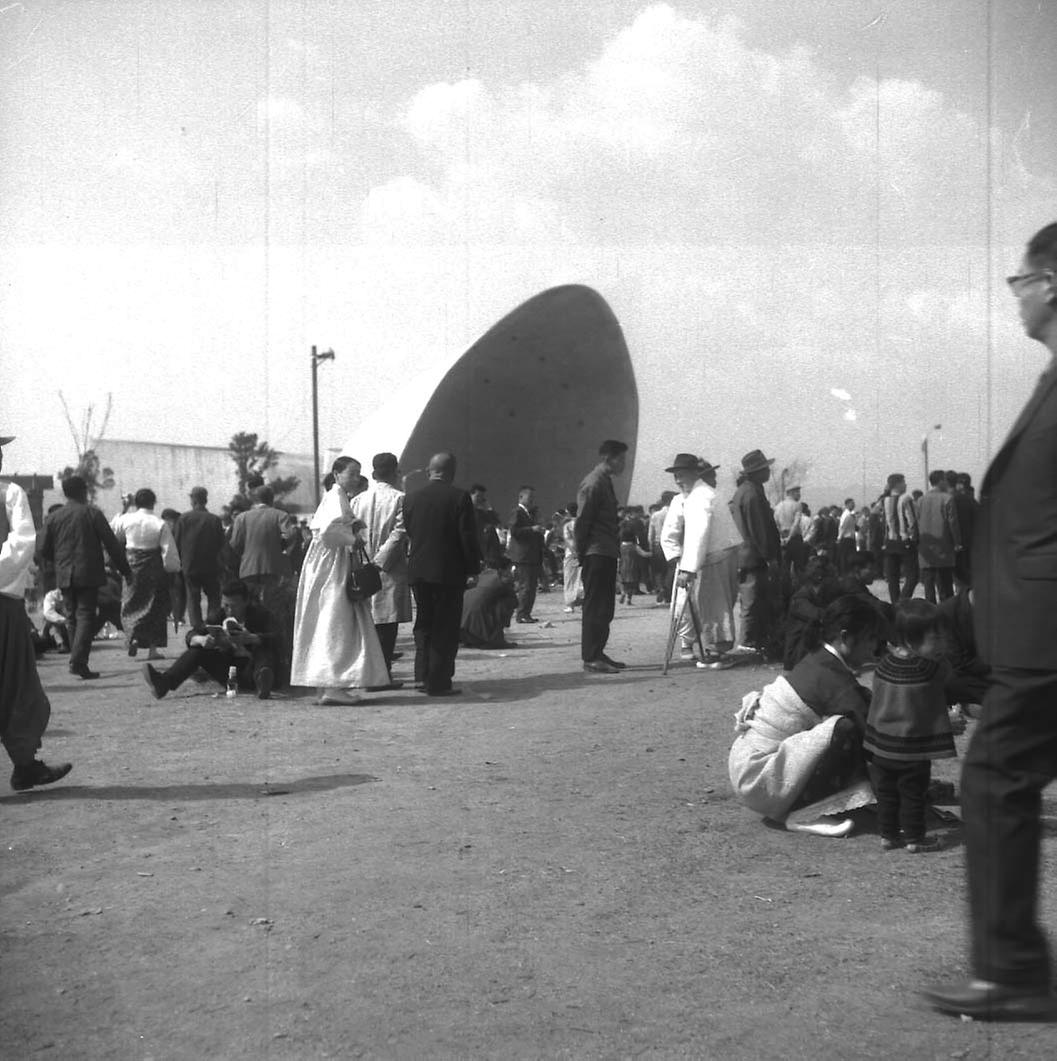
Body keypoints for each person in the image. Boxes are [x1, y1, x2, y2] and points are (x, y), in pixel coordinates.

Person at [923, 222, 1057, 1021]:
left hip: (1048, 632)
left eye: (1021, 277)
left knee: (993, 779)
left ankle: (1009, 972)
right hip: (1030, 628)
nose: (1015, 290)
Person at [728, 594, 885, 837]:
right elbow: (872, 730)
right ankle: (803, 812)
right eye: (869, 639)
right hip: (759, 777)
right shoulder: (831, 674)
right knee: (844, 731)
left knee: (844, 730)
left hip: (748, 766)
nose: (873, 648)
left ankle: (815, 801)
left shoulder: (821, 660)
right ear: (845, 638)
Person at [0, 433, 73, 790]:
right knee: (16, 687)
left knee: (19, 687)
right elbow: (21, 544)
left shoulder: (8, 494)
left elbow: (22, 544)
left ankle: (26, 766)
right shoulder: (10, 494)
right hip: (3, 605)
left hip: (5, 603)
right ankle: (26, 765)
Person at [291, 456, 390, 705]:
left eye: (358, 473)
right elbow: (327, 532)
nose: (356, 478)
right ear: (336, 474)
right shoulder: (336, 496)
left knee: (329, 619)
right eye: (351, 473)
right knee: (336, 618)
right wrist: (351, 538)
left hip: (329, 564)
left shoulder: (338, 497)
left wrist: (353, 526)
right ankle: (333, 684)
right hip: (330, 566)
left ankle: (327, 683)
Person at [863, 599, 956, 853]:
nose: (942, 644)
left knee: (887, 793)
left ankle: (888, 835)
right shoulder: (928, 668)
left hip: (882, 746)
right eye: (935, 639)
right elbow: (946, 675)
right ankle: (915, 838)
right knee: (913, 793)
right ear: (911, 639)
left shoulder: (883, 665)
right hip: (912, 748)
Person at [403, 452, 482, 697]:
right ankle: (438, 682)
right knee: (446, 627)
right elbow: (467, 537)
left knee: (424, 623)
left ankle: (421, 676)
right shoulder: (460, 497)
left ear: (430, 470)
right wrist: (472, 568)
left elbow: (410, 531)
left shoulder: (411, 498)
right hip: (449, 572)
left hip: (419, 571)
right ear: (452, 472)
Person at [41, 474, 131, 679]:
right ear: (83, 491)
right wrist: (125, 571)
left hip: (64, 574)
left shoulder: (54, 517)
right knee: (85, 616)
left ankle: (77, 659)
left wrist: (59, 562)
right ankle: (78, 661)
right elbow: (112, 545)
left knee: (72, 616)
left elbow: (43, 548)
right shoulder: (92, 514)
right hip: (88, 573)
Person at [142, 579, 276, 700]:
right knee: (198, 650)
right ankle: (163, 684)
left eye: (234, 606)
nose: (229, 610)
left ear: (246, 602)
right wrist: (201, 639)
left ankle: (263, 684)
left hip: (253, 668)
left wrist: (253, 638)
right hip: (229, 671)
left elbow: (278, 639)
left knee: (263, 647)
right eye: (226, 605)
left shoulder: (261, 615)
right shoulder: (219, 615)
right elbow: (191, 635)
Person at [351, 452, 411, 684]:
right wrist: (380, 560)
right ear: (396, 472)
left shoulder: (357, 500)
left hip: (361, 566)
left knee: (366, 623)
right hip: (389, 567)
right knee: (387, 625)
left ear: (374, 473)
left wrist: (365, 560)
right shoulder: (401, 498)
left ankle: (367, 673)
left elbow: (353, 533)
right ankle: (382, 673)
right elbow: (400, 532)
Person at [229, 483, 297, 686]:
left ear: (253, 499)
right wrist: (285, 551)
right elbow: (292, 534)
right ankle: (277, 658)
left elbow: (234, 543)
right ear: (272, 498)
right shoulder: (280, 515)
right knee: (273, 614)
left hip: (248, 569)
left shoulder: (241, 517)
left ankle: (248, 657)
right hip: (274, 569)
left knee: (249, 612)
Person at [574, 439, 629, 674]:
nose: (624, 464)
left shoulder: (604, 481)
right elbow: (582, 521)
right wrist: (582, 554)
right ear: (609, 458)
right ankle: (591, 656)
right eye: (621, 459)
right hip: (595, 553)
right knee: (595, 606)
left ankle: (598, 652)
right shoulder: (594, 483)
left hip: (605, 551)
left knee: (605, 607)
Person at [113, 488, 180, 660]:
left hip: (131, 566)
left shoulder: (126, 519)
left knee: (131, 603)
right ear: (153, 502)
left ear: (136, 502)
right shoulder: (159, 523)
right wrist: (172, 568)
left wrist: (125, 508)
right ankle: (152, 650)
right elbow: (168, 551)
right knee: (155, 608)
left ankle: (133, 636)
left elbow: (113, 532)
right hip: (153, 568)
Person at [729, 449, 781, 658]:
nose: (768, 471)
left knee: (753, 600)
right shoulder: (751, 494)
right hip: (753, 556)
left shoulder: (748, 490)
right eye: (765, 468)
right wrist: (771, 557)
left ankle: (753, 640)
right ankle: (748, 642)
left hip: (748, 555)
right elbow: (759, 529)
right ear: (756, 472)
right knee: (752, 599)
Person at [174, 486, 227, 631]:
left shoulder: (183, 519)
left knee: (193, 597)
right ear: (206, 499)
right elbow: (222, 544)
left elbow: (176, 543)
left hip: (189, 566)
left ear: (193, 499)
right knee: (214, 596)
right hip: (211, 566)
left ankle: (197, 627)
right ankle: (212, 623)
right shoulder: (214, 520)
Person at [916, 470, 962, 604]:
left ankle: (931, 613)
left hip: (926, 548)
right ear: (941, 481)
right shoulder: (947, 498)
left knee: (929, 585)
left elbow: (917, 521)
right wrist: (957, 542)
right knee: (945, 586)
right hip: (943, 546)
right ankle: (946, 614)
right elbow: (953, 523)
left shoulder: (921, 499)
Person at [507, 485, 544, 623]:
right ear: (521, 497)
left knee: (531, 587)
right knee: (526, 586)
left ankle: (526, 613)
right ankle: (521, 614)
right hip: (523, 556)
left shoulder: (531, 514)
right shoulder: (517, 512)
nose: (532, 500)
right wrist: (532, 529)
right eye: (530, 497)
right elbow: (514, 531)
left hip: (532, 556)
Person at [460, 560, 518, 649]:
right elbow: (514, 602)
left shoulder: (482, 575)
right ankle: (495, 639)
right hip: (478, 628)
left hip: (463, 630)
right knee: (508, 603)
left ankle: (474, 640)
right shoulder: (502, 579)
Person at [882, 474, 919, 603]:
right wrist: (913, 538)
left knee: (893, 578)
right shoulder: (906, 498)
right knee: (913, 576)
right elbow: (912, 522)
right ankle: (902, 602)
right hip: (904, 541)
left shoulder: (884, 500)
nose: (906, 484)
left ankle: (894, 604)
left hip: (889, 542)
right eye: (904, 482)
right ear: (898, 484)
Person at [469, 484, 504, 569]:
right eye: (478, 496)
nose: (480, 499)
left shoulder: (481, 512)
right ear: (471, 495)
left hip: (482, 549)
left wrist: (489, 508)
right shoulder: (464, 510)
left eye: (482, 497)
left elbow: (496, 522)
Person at [618, 523, 650, 605]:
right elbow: (644, 554)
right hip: (633, 567)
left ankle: (622, 592)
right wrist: (652, 554)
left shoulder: (620, 547)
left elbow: (617, 557)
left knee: (622, 582)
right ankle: (628, 599)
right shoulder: (635, 547)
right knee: (632, 584)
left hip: (622, 567)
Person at [560, 502, 583, 612]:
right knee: (583, 578)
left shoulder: (567, 525)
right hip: (584, 554)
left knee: (570, 579)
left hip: (571, 555)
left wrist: (575, 552)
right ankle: (584, 602)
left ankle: (570, 604)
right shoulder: (583, 523)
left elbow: (568, 541)